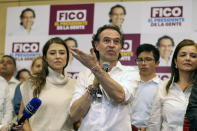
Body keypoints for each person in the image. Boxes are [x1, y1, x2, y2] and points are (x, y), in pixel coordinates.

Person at [69, 24, 139, 131]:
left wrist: (95, 69)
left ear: (120, 47)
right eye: (106, 40)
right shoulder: (84, 75)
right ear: (96, 45)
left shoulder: (130, 72)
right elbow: (74, 115)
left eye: (116, 41)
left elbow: (120, 96)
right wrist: (93, 88)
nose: (111, 45)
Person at [18, 37, 76, 130]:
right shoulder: (32, 82)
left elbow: (78, 120)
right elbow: (22, 115)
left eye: (62, 53)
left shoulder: (75, 85)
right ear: (45, 58)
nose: (58, 56)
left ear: (67, 57)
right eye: (52, 53)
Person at [147, 39, 197, 131]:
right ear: (175, 62)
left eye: (193, 56)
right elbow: (154, 122)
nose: (188, 58)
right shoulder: (163, 86)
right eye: (183, 55)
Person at [130, 44, 161, 131]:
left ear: (157, 63)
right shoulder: (129, 84)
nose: (143, 63)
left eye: (148, 59)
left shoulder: (162, 87)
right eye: (140, 60)